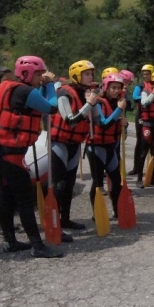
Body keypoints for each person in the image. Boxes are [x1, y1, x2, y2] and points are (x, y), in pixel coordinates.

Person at [0, 55, 61, 258]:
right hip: (9, 152)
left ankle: (10, 241)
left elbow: (37, 102)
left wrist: (43, 84)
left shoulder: (10, 87)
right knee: (25, 199)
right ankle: (37, 245)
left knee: (6, 193)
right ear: (26, 74)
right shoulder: (25, 91)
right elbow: (51, 107)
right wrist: (51, 84)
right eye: (38, 74)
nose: (40, 77)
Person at [50, 60, 97, 237]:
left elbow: (95, 119)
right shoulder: (64, 92)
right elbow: (70, 121)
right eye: (87, 74)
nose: (90, 76)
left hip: (74, 144)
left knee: (69, 185)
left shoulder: (85, 93)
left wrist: (93, 104)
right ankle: (54, 223)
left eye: (91, 73)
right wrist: (89, 105)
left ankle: (65, 219)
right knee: (59, 185)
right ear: (76, 76)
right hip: (59, 143)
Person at [86, 73, 128, 217]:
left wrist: (125, 123)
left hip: (111, 146)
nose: (116, 91)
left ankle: (117, 211)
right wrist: (118, 110)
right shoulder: (98, 102)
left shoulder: (118, 103)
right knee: (97, 182)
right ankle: (96, 213)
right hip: (96, 147)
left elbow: (117, 122)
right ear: (106, 88)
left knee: (116, 181)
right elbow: (103, 124)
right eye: (113, 88)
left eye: (118, 88)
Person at [130, 63, 154, 182]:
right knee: (141, 142)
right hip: (141, 115)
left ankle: (153, 168)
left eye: (147, 74)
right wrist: (149, 97)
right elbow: (135, 97)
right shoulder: (140, 85)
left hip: (153, 118)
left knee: (153, 145)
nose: (145, 76)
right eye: (143, 74)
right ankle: (136, 167)